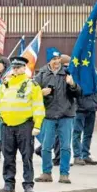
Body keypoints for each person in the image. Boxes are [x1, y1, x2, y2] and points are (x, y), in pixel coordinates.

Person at [0, 57, 45, 192]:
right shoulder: (5, 84)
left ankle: (28, 184)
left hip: (25, 125)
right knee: (8, 156)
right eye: (14, 67)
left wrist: (37, 125)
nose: (15, 70)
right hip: (7, 125)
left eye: (18, 67)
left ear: (24, 68)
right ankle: (9, 184)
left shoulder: (31, 85)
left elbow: (38, 106)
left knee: (27, 156)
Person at [34, 47, 81, 184]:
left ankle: (64, 174)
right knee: (46, 146)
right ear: (49, 61)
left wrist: (72, 84)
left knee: (65, 146)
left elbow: (78, 93)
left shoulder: (67, 73)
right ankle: (46, 172)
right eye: (54, 59)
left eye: (58, 59)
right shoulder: (41, 74)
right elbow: (32, 92)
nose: (56, 62)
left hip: (66, 115)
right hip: (49, 115)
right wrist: (40, 93)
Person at [73, 71, 97, 166]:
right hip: (80, 108)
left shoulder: (92, 71)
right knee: (77, 133)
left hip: (92, 106)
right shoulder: (75, 71)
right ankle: (77, 156)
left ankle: (85, 155)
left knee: (88, 133)